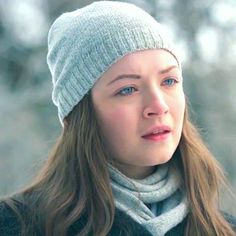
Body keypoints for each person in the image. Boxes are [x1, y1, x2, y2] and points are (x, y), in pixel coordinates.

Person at [0, 1, 235, 236]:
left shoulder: (222, 229)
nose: (158, 106)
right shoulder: (16, 225)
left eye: (169, 81)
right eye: (127, 89)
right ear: (81, 112)